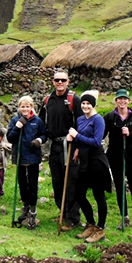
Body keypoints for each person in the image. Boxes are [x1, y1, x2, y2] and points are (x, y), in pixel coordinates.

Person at [38, 69, 84, 231]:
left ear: (68, 82)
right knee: (57, 181)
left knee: (71, 182)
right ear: (52, 81)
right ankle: (63, 212)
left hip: (70, 146)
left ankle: (73, 218)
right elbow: (40, 121)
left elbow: (81, 125)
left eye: (63, 80)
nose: (60, 83)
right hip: (54, 146)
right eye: (57, 80)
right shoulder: (47, 100)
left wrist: (78, 146)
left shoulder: (74, 100)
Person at [68, 90, 111, 243]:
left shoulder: (98, 119)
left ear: (93, 105)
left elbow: (96, 141)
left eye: (88, 104)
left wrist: (77, 136)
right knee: (79, 194)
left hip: (96, 160)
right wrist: (75, 144)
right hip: (84, 160)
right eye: (83, 103)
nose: (85, 106)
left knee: (98, 195)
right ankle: (91, 223)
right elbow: (79, 139)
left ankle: (100, 228)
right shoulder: (80, 119)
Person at [103, 88, 132, 229]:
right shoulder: (110, 117)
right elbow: (102, 134)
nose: (122, 101)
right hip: (115, 157)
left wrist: (130, 134)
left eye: (125, 99)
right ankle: (125, 218)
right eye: (119, 99)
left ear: (129, 101)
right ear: (116, 101)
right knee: (120, 187)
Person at [6, 95, 47, 230]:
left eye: (27, 106)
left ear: (32, 107)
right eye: (22, 106)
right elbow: (10, 138)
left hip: (33, 157)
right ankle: (25, 206)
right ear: (19, 107)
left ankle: (33, 211)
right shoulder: (15, 120)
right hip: (20, 157)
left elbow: (44, 135)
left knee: (33, 184)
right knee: (22, 183)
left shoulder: (37, 121)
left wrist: (39, 141)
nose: (25, 109)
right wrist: (17, 127)